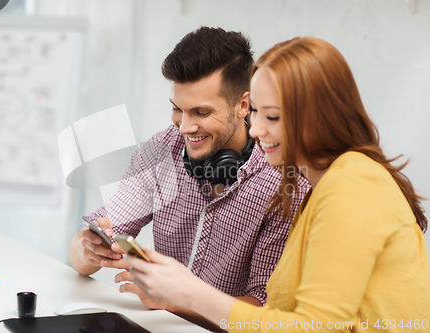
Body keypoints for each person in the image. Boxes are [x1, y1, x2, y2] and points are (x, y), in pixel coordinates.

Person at [127, 36, 430, 332]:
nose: (256, 130)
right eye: (256, 112)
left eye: (271, 116)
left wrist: (188, 294)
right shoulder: (322, 186)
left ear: (318, 118)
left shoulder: (353, 186)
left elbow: (315, 328)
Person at [69, 27, 309, 327]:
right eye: (177, 109)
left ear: (243, 105)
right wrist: (88, 248)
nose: (184, 127)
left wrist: (176, 301)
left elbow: (263, 307)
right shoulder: (163, 151)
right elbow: (82, 249)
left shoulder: (283, 185)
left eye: (201, 112)